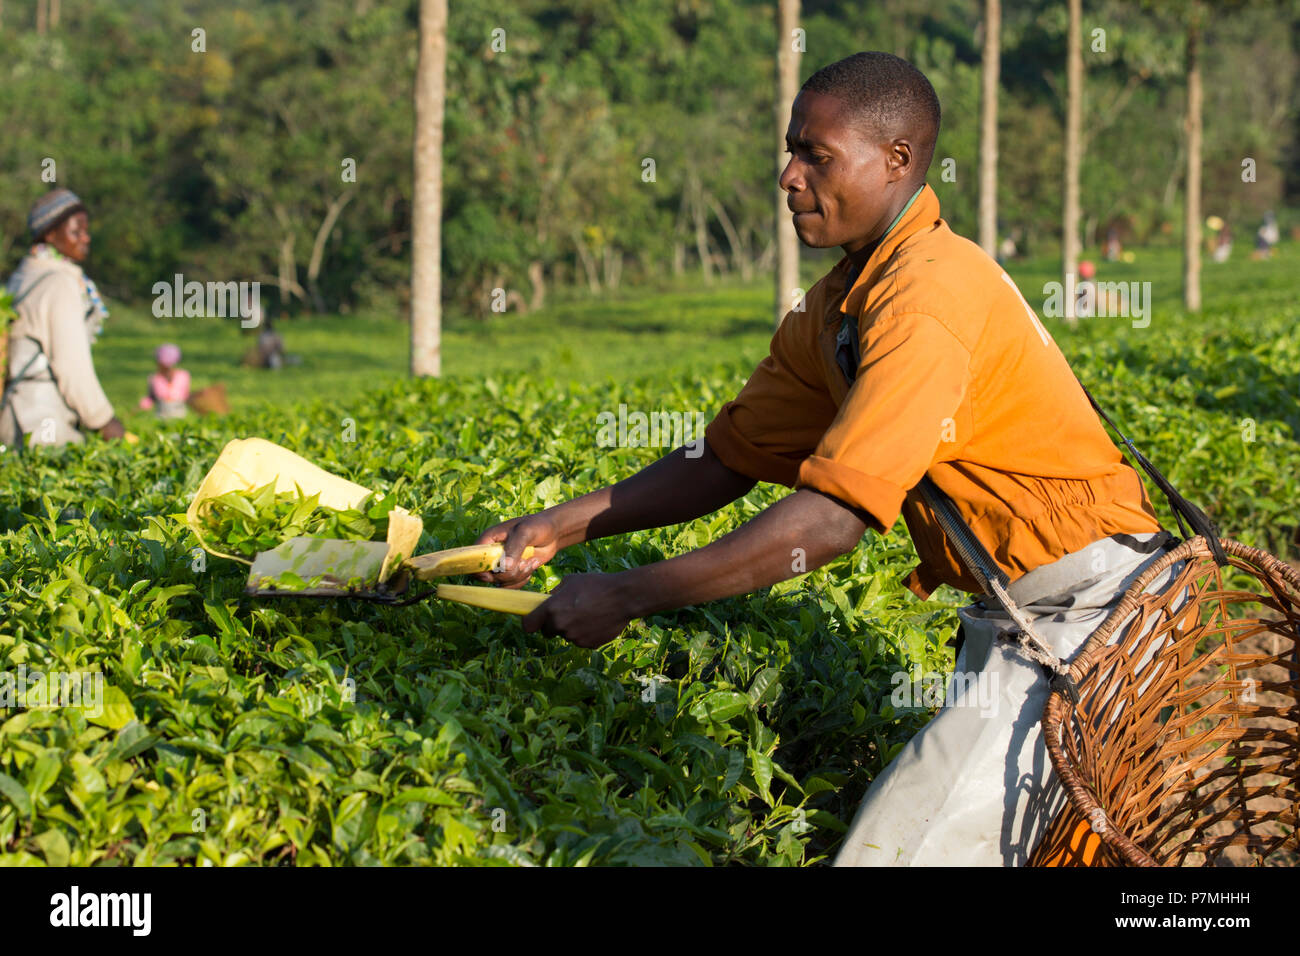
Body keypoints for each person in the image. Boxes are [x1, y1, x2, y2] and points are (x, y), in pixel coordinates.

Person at [471, 52, 1175, 866]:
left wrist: (626, 596)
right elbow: (729, 455)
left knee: (895, 853)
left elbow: (834, 520)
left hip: (1094, 624)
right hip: (1024, 623)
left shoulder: (925, 298)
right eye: (791, 150)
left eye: (817, 156)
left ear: (897, 161)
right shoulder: (844, 303)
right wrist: (563, 525)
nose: (789, 177)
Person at [1, 189, 126, 451]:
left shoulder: (22, 276)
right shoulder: (58, 283)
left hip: (12, 418)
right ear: (50, 234)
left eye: (86, 230)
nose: (85, 238)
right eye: (76, 231)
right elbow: (71, 365)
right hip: (42, 421)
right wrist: (104, 420)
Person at [138, 343, 191, 419]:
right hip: (161, 415)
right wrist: (141, 406)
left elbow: (186, 395)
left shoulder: (183, 376)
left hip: (180, 415)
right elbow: (151, 397)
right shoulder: (154, 378)